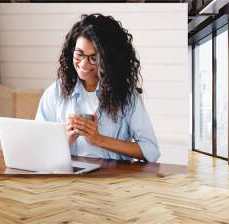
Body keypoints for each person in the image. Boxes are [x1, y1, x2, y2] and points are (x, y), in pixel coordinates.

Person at [35, 13, 160, 162]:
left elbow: (151, 151)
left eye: (94, 58)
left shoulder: (126, 96)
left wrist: (99, 139)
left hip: (112, 179)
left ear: (110, 60)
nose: (83, 64)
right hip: (69, 176)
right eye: (79, 54)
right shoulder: (56, 92)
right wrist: (66, 139)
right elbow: (39, 148)